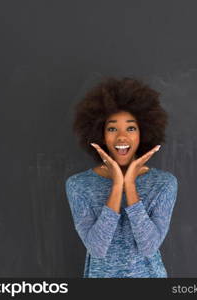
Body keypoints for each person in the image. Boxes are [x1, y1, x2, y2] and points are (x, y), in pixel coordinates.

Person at [65, 76, 178, 278]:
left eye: (131, 128)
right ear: (100, 133)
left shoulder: (164, 184)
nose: (122, 137)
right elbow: (97, 249)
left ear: (144, 132)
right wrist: (117, 185)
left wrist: (130, 185)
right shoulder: (78, 186)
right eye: (112, 128)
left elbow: (149, 247)